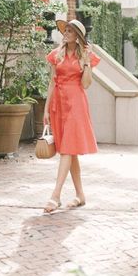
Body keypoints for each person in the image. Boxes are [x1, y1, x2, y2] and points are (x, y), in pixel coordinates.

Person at [42, 18, 100, 214]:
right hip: (58, 103)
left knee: (67, 149)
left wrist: (86, 64)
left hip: (76, 103)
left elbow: (86, 84)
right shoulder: (56, 55)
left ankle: (55, 196)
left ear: (78, 37)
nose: (65, 33)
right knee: (70, 150)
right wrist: (46, 109)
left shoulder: (85, 56)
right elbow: (52, 81)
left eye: (69, 31)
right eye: (64, 30)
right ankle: (80, 195)